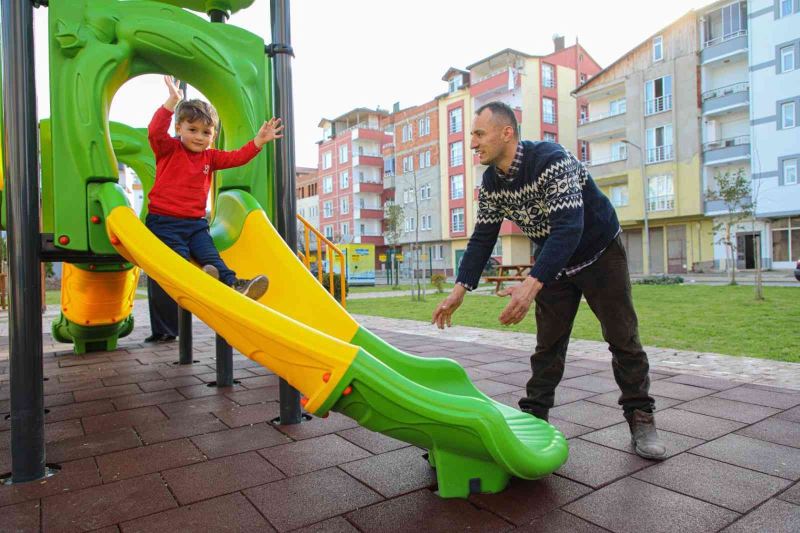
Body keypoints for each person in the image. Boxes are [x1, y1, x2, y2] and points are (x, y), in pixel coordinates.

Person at [431, 101, 666, 460]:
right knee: (548, 345)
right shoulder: (492, 183)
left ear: (506, 133)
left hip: (599, 251)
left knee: (623, 338)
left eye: (479, 134)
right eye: (472, 136)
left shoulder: (551, 160)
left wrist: (531, 283)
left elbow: (569, 227)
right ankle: (534, 416)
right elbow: (482, 237)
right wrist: (459, 290)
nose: (473, 143)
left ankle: (640, 417)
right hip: (554, 258)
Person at [144, 76, 283, 343]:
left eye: (206, 132)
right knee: (177, 261)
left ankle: (235, 284)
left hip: (196, 224)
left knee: (212, 256)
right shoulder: (168, 149)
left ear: (214, 135)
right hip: (165, 222)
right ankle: (201, 278)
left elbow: (237, 157)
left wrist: (258, 141)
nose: (199, 137)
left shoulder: (210, 157)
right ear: (179, 128)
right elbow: (154, 132)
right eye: (192, 129)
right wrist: (171, 103)